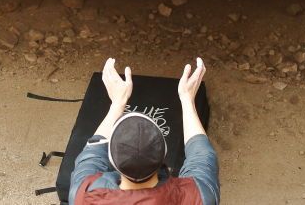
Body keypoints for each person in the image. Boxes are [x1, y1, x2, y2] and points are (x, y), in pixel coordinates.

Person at [69, 57, 218, 205]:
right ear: (164, 153)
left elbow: (92, 154)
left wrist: (117, 104)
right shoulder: (198, 197)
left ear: (111, 160)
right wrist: (187, 99)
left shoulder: (84, 195)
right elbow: (202, 156)